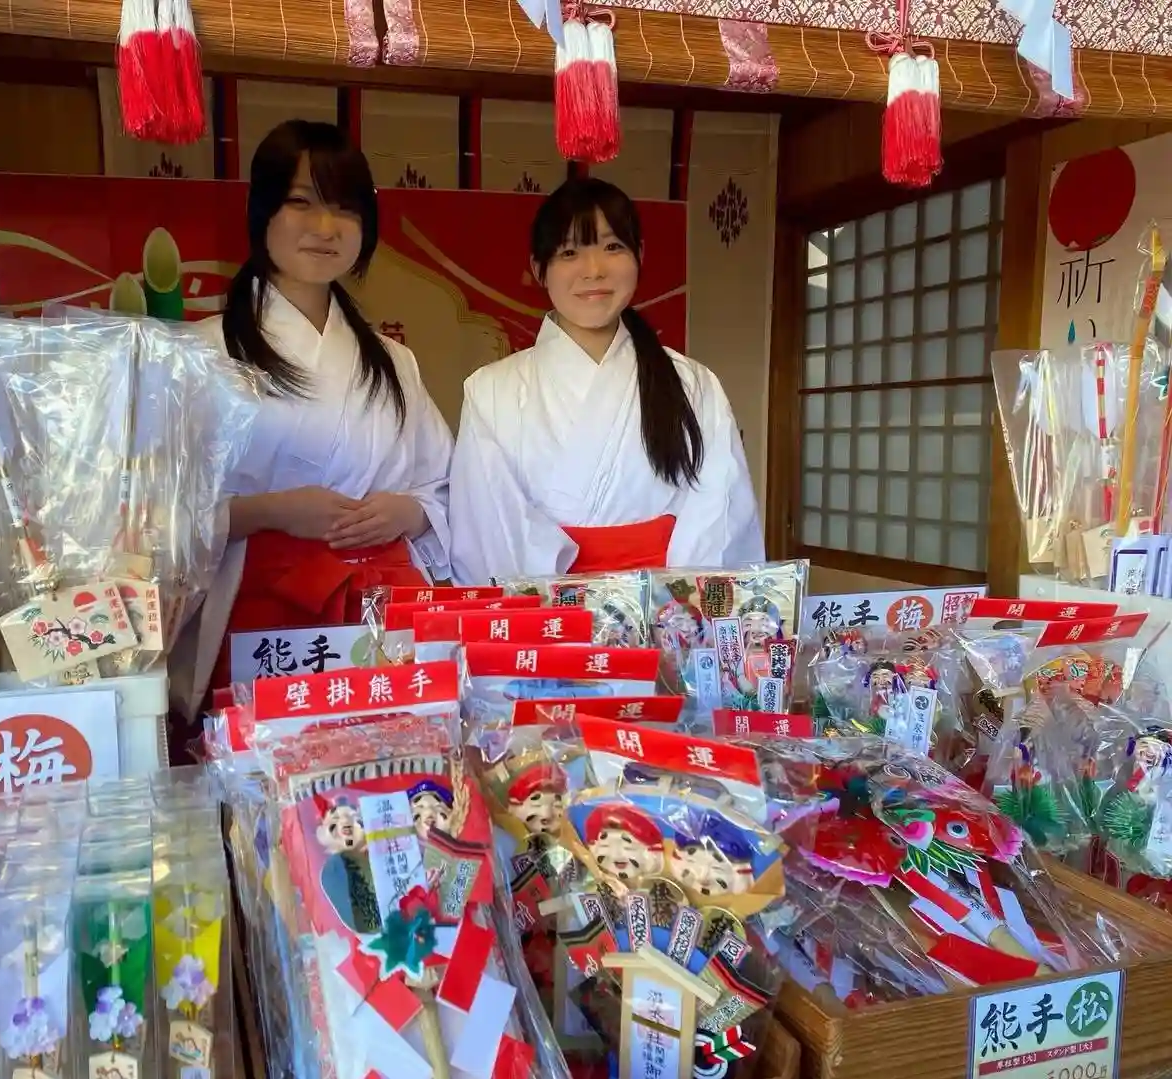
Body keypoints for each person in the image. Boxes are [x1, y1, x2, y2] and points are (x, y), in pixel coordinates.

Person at [182, 120, 453, 717]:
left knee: (391, 756)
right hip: (261, 605)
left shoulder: (395, 361)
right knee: (274, 756)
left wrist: (410, 512)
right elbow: (155, 513)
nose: (326, 228)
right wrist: (268, 512)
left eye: (345, 208)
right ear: (262, 210)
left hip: (384, 605)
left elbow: (443, 483)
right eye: (302, 202)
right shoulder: (200, 353)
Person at [448, 177, 763, 584]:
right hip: (549, 611)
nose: (594, 270)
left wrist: (670, 605)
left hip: (665, 607)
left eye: (613, 247)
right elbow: (487, 528)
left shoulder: (693, 383)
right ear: (539, 269)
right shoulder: (490, 391)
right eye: (570, 252)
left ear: (639, 255)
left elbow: (720, 515)